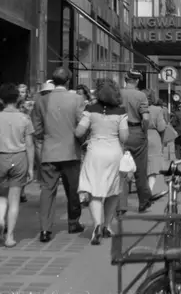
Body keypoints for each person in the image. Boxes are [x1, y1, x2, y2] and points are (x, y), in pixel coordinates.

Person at [31, 67, 86, 242]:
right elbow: (82, 126)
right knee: (73, 189)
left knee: (47, 190)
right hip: (71, 151)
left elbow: (36, 129)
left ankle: (45, 229)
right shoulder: (77, 99)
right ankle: (73, 222)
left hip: (49, 151)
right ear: (68, 81)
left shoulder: (41, 100)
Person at [76, 79, 128, 245]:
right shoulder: (121, 111)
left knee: (94, 190)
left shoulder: (90, 109)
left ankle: (97, 225)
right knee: (113, 191)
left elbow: (79, 132)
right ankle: (107, 226)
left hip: (95, 152)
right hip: (114, 153)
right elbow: (124, 137)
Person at [0, 83, 35, 247]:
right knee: (14, 199)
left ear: (0, 100)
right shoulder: (25, 118)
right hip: (19, 157)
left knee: (1, 195)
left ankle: (0, 219)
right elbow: (30, 145)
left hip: (0, 157)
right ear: (17, 99)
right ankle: (10, 237)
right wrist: (31, 167)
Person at [118, 69, 153, 215]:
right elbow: (145, 118)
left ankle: (121, 206)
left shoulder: (117, 93)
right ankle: (143, 202)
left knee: (121, 170)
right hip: (137, 131)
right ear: (137, 81)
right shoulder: (141, 95)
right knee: (140, 170)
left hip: (119, 133)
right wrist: (144, 130)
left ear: (125, 79)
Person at [145, 89, 166, 195]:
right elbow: (161, 127)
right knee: (153, 166)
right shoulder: (157, 110)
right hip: (153, 137)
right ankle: (150, 189)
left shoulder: (137, 108)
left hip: (139, 136)